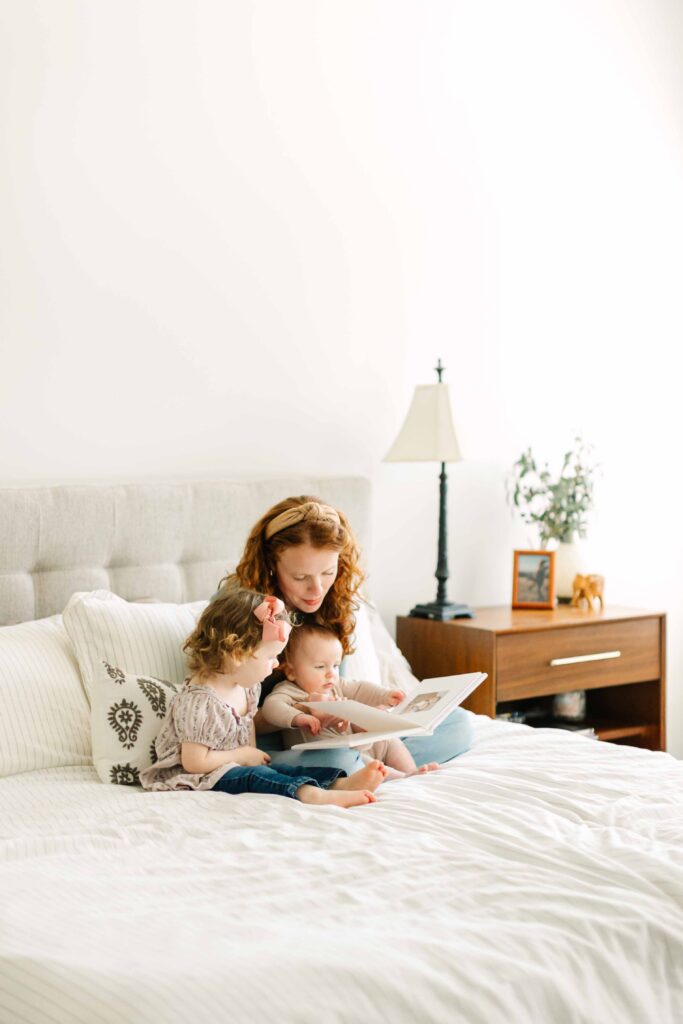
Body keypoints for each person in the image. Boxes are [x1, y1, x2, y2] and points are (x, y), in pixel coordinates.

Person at [231, 495, 473, 772]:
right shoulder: (242, 611)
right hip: (271, 740)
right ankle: (361, 767)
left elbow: (340, 686)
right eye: (300, 577)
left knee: (458, 724)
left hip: (335, 737)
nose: (317, 589)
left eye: (328, 572)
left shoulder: (335, 605)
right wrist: (304, 712)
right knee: (336, 758)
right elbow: (231, 719)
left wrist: (366, 717)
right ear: (271, 566)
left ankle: (373, 766)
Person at [139, 579, 386, 807]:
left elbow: (249, 738)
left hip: (235, 767)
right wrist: (244, 756)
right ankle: (311, 795)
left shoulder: (247, 687)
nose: (277, 664)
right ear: (238, 654)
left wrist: (253, 754)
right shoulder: (199, 701)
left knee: (279, 770)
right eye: (271, 656)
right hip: (195, 778)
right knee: (258, 775)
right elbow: (194, 762)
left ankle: (337, 783)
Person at [261, 622, 439, 779]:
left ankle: (411, 772)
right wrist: (299, 717)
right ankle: (401, 778)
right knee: (357, 760)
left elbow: (360, 688)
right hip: (328, 756)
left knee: (390, 740)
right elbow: (271, 707)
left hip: (357, 743)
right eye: (320, 667)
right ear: (291, 671)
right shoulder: (290, 691)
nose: (331, 674)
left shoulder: (336, 685)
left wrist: (386, 695)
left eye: (336, 666)